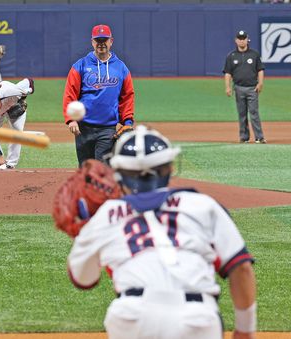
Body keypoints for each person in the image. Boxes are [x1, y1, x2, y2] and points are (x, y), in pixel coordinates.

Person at [53, 125, 257, 339]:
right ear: (169, 168)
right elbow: (241, 268)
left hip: (131, 318)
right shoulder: (203, 205)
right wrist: (245, 330)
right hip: (197, 319)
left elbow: (83, 278)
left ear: (119, 173)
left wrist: (86, 232)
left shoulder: (107, 214)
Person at [62, 24, 135, 167]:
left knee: (102, 169)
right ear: (92, 42)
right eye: (98, 40)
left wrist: (127, 121)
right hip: (83, 129)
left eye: (104, 40)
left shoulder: (121, 67)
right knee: (85, 170)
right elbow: (70, 93)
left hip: (107, 129)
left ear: (111, 41)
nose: (101, 44)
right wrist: (71, 120)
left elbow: (127, 96)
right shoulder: (80, 65)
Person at [0, 78, 34, 170]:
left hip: (10, 101)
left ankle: (11, 164)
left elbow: (30, 82)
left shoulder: (11, 91)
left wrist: (23, 98)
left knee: (17, 132)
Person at [224, 30, 266, 144]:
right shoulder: (231, 56)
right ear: (236, 40)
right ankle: (244, 137)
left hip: (252, 88)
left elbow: (260, 70)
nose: (242, 41)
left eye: (244, 38)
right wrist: (227, 87)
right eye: (239, 39)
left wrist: (260, 83)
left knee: (254, 113)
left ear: (248, 39)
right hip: (238, 88)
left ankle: (259, 137)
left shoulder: (254, 54)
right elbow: (228, 73)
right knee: (242, 114)